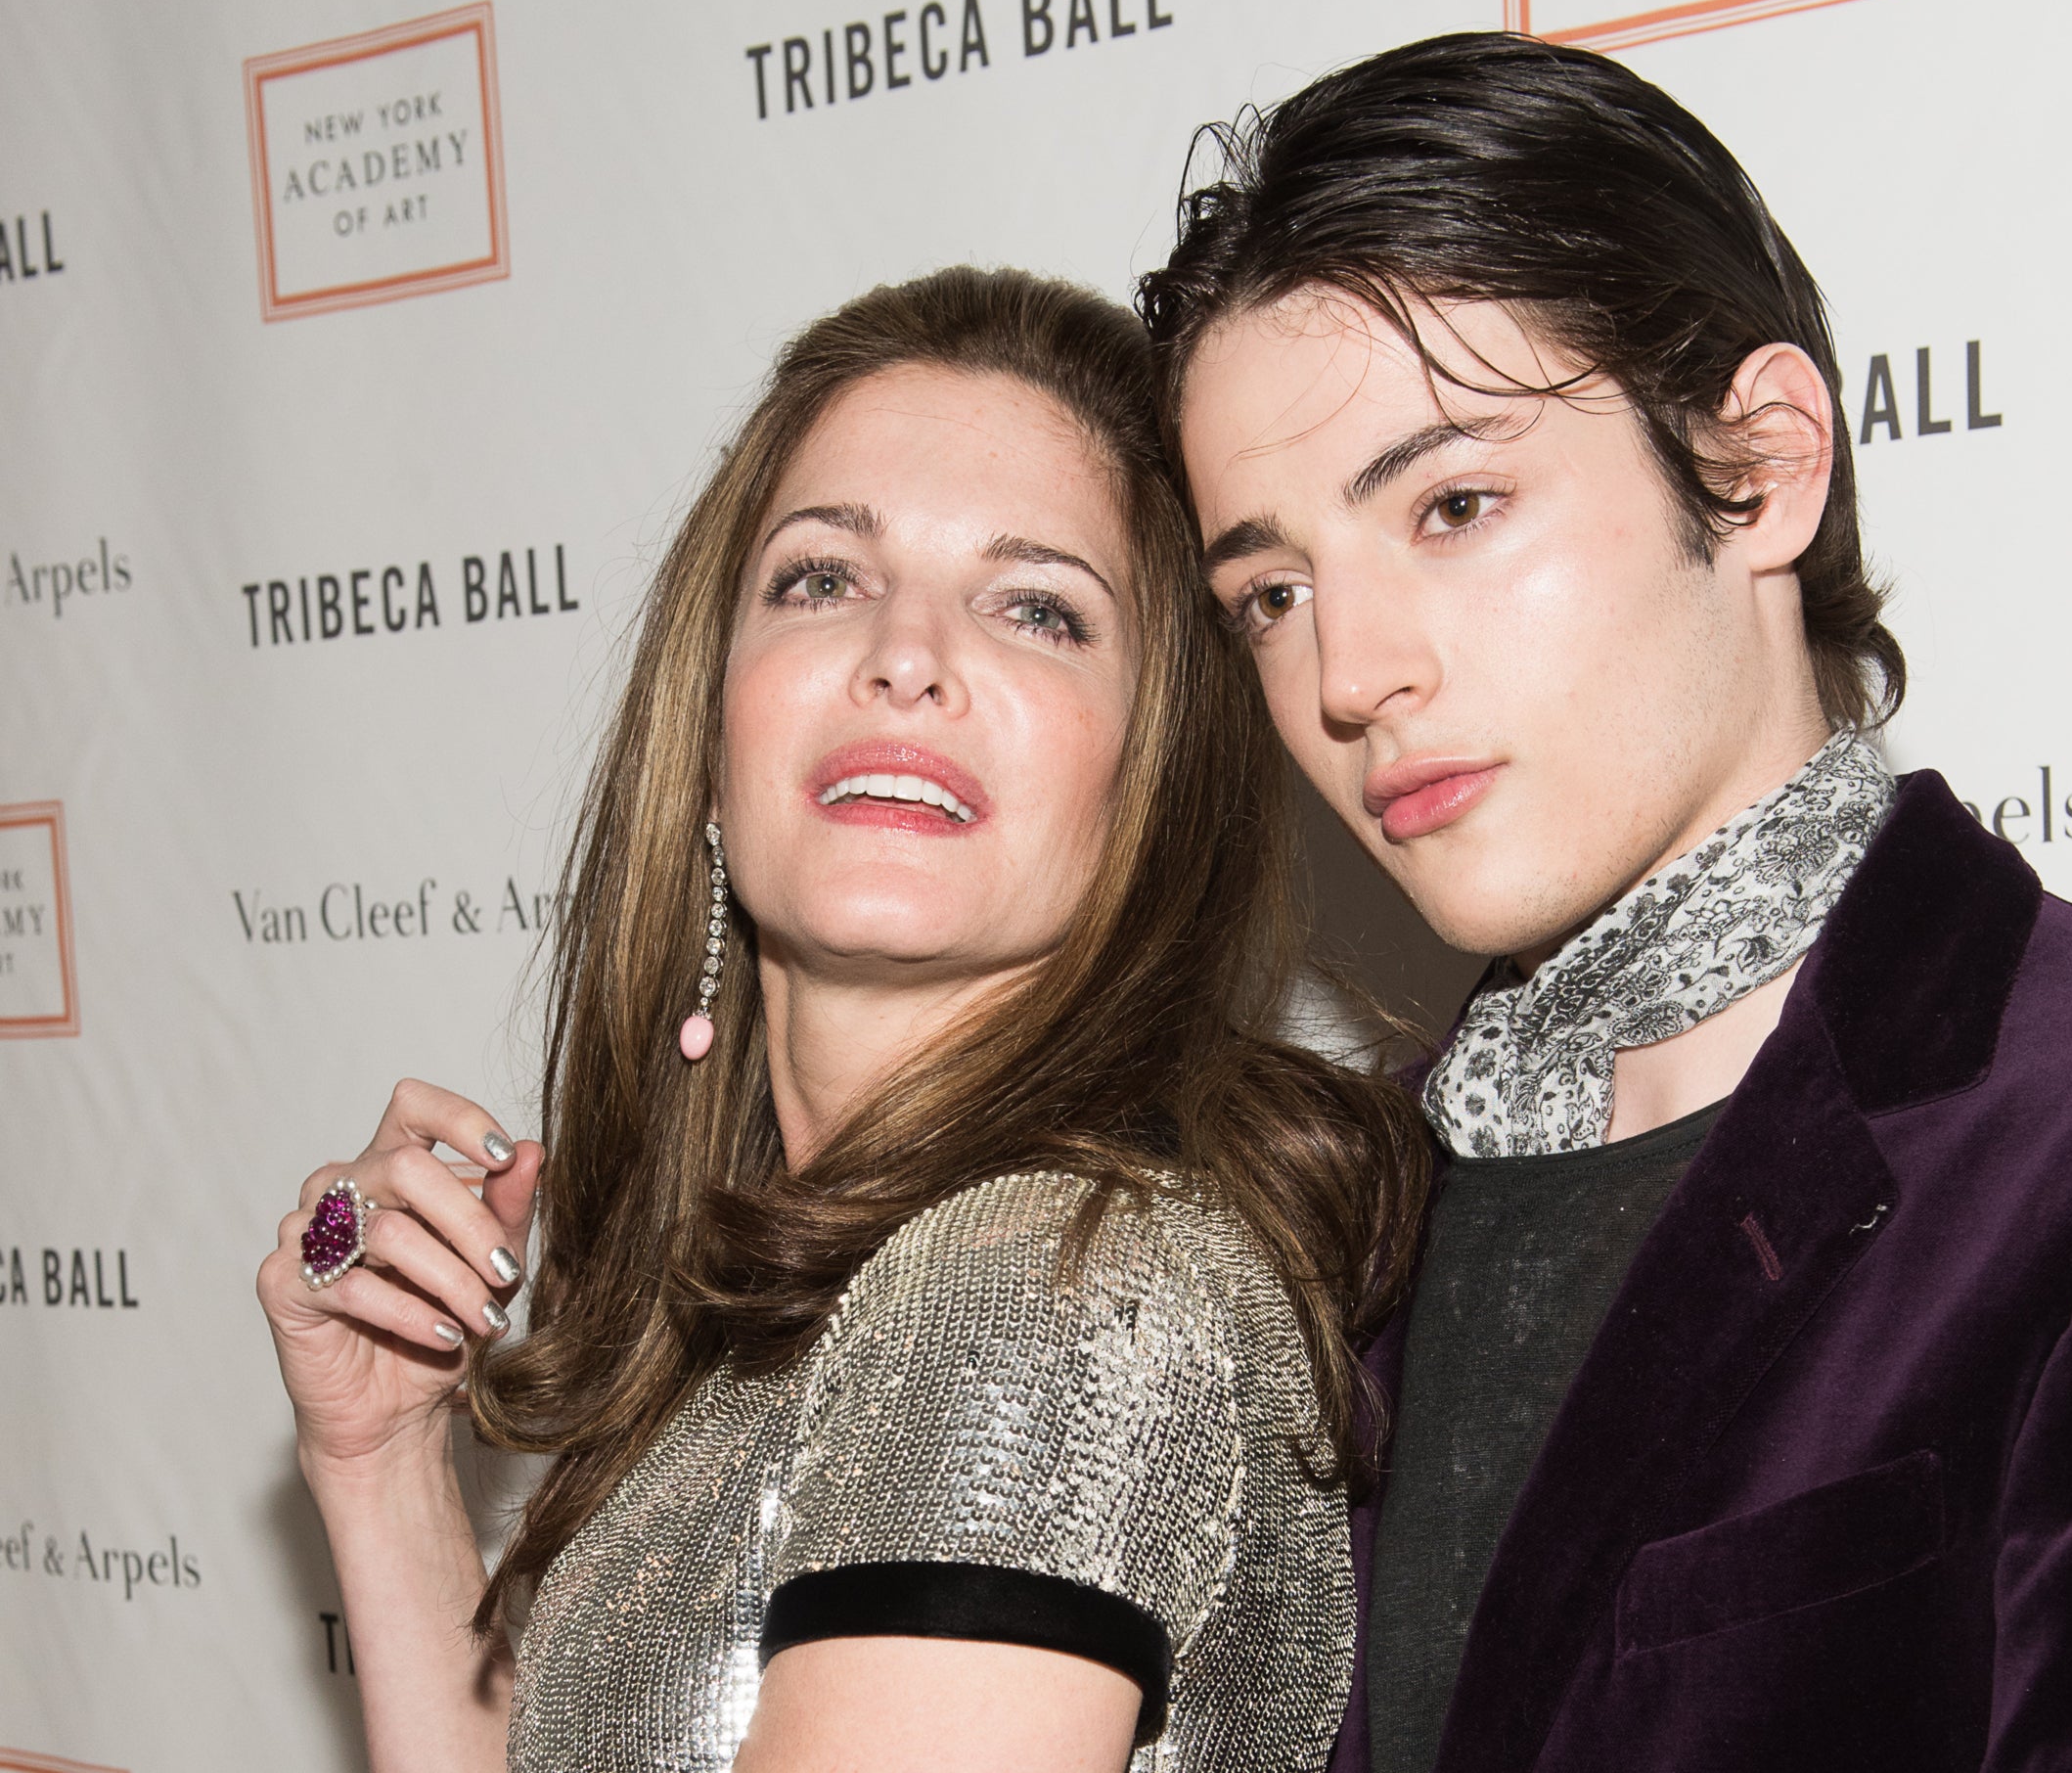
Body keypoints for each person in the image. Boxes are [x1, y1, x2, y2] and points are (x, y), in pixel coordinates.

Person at [1139, 32, 2072, 1773]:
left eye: (1454, 504)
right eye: (1269, 595)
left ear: (1757, 465)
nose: (1350, 674)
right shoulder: (1328, 1233)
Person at [256, 267, 1427, 1773]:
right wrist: (381, 1462)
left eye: (1037, 608)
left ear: (1160, 772)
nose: (905, 653)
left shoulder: (1040, 1292)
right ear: (713, 707)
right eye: (822, 577)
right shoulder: (810, 1284)